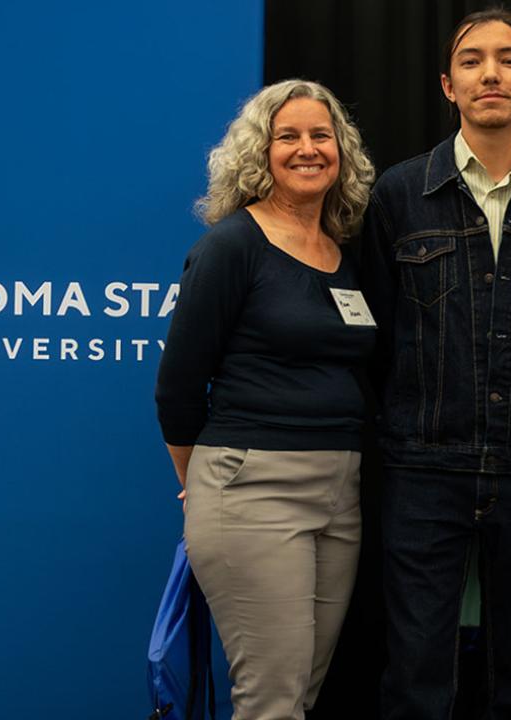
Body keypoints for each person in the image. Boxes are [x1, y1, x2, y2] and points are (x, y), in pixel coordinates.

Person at [358, 8, 511, 719]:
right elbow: (376, 334)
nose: (490, 74)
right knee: (416, 671)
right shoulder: (399, 194)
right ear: (448, 85)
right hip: (423, 464)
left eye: (508, 59)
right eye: (472, 61)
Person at [154, 79, 377, 719]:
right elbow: (177, 387)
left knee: (299, 694)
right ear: (260, 152)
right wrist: (202, 481)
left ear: (341, 151)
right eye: (288, 137)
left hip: (340, 493)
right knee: (271, 702)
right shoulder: (231, 247)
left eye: (321, 135)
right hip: (253, 489)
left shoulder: (342, 251)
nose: (308, 149)